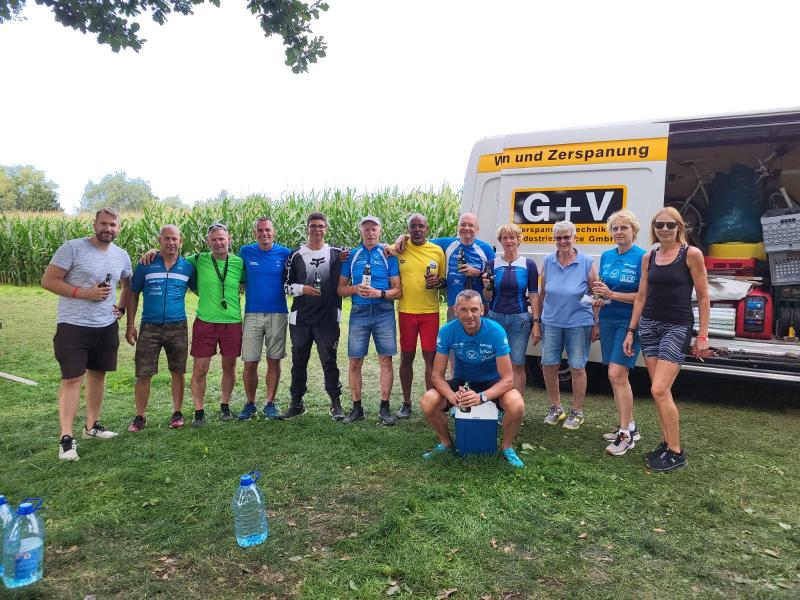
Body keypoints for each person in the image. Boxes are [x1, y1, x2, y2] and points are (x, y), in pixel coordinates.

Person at [42, 208, 132, 461]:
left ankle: (92, 426)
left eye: (113, 225)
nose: (108, 229)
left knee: (98, 374)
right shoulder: (72, 248)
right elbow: (48, 280)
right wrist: (84, 293)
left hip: (105, 326)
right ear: (94, 224)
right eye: (104, 224)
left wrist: (121, 308)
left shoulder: (121, 255)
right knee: (72, 379)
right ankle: (66, 438)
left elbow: (127, 283)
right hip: (73, 325)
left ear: (118, 228)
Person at [624, 207, 710, 472]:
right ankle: (666, 443)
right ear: (654, 228)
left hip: (677, 326)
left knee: (659, 390)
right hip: (649, 325)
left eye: (670, 225)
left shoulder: (691, 254)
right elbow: (641, 297)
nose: (664, 229)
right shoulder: (649, 256)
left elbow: (703, 296)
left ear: (679, 227)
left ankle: (676, 452)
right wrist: (631, 330)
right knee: (660, 391)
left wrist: (703, 335)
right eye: (659, 225)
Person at [419, 289, 526, 468]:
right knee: (428, 401)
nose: (470, 315)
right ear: (455, 310)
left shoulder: (496, 331)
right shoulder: (447, 331)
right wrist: (452, 396)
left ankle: (507, 447)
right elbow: (436, 375)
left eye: (474, 309)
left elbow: (508, 379)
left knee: (517, 404)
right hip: (462, 382)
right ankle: (446, 442)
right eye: (464, 309)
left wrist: (482, 397)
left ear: (482, 309)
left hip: (492, 383)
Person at [125, 225, 196, 432]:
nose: (171, 242)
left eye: (175, 238)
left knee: (178, 371)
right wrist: (130, 324)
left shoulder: (188, 267)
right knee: (143, 373)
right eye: (167, 238)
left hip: (178, 326)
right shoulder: (146, 264)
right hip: (150, 327)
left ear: (181, 241)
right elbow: (133, 293)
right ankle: (140, 416)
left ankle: (177, 412)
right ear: (159, 240)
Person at [590, 210, 647, 456]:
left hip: (630, 322)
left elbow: (643, 296)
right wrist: (598, 304)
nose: (619, 232)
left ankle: (625, 435)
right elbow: (602, 290)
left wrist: (612, 295)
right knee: (615, 377)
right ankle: (629, 426)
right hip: (608, 319)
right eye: (615, 228)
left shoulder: (643, 257)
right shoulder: (607, 256)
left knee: (617, 374)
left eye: (624, 228)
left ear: (634, 231)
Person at [337, 215, 402, 425]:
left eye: (374, 229)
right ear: (361, 231)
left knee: (385, 360)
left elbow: (398, 291)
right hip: (359, 311)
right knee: (355, 361)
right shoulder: (352, 255)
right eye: (366, 229)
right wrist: (355, 289)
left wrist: (379, 293)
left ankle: (385, 408)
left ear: (380, 231)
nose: (370, 233)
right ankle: (357, 409)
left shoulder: (388, 254)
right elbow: (340, 289)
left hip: (384, 311)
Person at [283, 212, 347, 420]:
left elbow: (366, 250)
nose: (317, 229)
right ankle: (296, 402)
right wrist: (304, 289)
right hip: (301, 319)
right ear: (307, 228)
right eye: (313, 226)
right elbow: (286, 286)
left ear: (326, 228)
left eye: (321, 226)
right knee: (299, 361)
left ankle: (336, 402)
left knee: (329, 361)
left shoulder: (337, 253)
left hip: (328, 318)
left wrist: (391, 247)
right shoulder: (295, 255)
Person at [539, 220, 600, 430]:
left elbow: (597, 295)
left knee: (577, 367)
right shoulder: (548, 261)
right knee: (549, 365)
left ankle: (577, 411)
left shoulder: (586, 262)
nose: (563, 241)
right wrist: (539, 320)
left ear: (575, 237)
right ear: (554, 239)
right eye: (559, 237)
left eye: (567, 237)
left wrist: (596, 321)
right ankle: (556, 407)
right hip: (551, 322)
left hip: (579, 323)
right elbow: (543, 293)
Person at [186, 223, 246, 426]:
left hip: (232, 322)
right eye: (214, 240)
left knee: (229, 367)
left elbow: (246, 283)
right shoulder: (198, 259)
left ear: (229, 239)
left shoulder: (239, 262)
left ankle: (225, 406)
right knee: (200, 368)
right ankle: (198, 411)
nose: (218, 243)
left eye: (222, 239)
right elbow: (173, 258)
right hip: (206, 322)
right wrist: (152, 252)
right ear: (208, 242)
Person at [237, 217, 291, 420]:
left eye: (267, 230)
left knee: (273, 360)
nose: (264, 233)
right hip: (252, 313)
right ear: (255, 233)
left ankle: (270, 403)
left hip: (278, 313)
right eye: (260, 230)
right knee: (250, 362)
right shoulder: (245, 251)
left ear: (273, 232)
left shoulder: (285, 253)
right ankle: (250, 403)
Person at [395, 212, 494, 319]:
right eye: (463, 224)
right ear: (458, 227)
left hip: (478, 306)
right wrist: (403, 237)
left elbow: (494, 278)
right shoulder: (447, 243)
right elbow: (420, 240)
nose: (466, 228)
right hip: (455, 305)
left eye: (470, 225)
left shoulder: (486, 249)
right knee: (453, 330)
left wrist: (477, 273)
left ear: (477, 229)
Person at [395, 213, 445, 419]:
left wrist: (438, 282)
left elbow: (443, 279)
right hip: (406, 311)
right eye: (413, 226)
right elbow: (382, 248)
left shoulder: (437, 251)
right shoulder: (399, 247)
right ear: (408, 229)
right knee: (406, 357)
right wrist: (400, 238)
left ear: (427, 228)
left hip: (430, 312)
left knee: (430, 357)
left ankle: (430, 401)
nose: (417, 230)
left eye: (421, 226)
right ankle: (406, 403)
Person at [482, 224, 540, 396]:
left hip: (519, 320)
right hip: (495, 318)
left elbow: (534, 294)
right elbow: (487, 296)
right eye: (505, 238)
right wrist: (487, 287)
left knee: (517, 364)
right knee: (494, 362)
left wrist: (536, 323)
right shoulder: (491, 264)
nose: (509, 241)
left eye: (512, 237)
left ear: (518, 239)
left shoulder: (528, 264)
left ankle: (516, 405)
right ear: (500, 241)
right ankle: (494, 403)